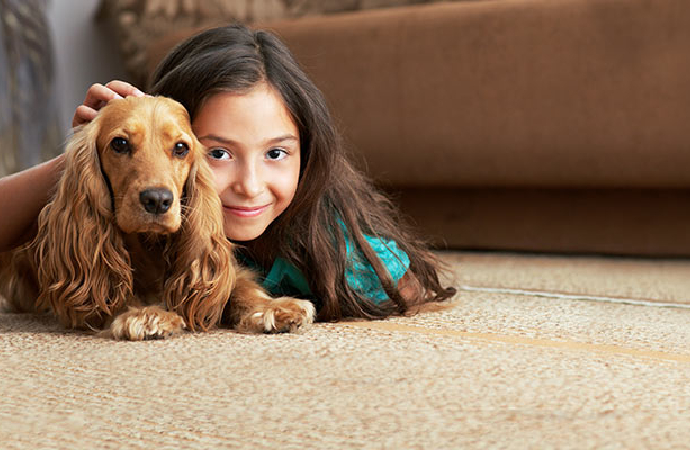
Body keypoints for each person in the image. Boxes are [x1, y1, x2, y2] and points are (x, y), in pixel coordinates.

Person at [4, 24, 455, 321]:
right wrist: (83, 153)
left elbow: (404, 286)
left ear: (307, 155)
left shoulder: (327, 240)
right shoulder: (125, 197)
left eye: (276, 153)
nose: (250, 185)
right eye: (217, 154)